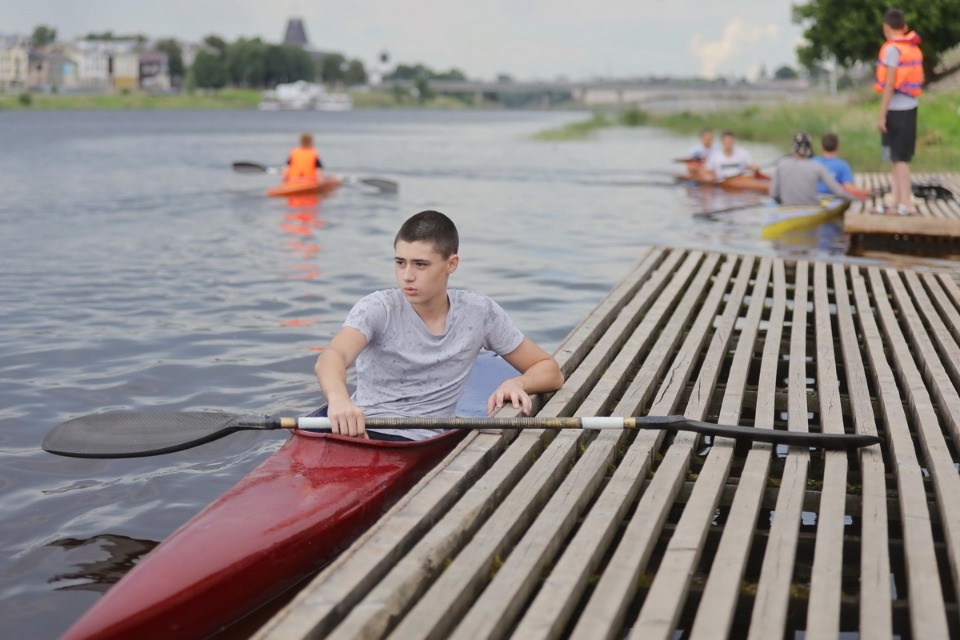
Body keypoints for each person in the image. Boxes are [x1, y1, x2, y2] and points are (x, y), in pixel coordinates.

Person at [314, 210, 565, 440]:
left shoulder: (478, 312)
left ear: (451, 264)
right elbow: (332, 356)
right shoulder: (378, 307)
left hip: (423, 442)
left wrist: (517, 383)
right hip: (360, 429)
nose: (407, 276)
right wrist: (338, 399)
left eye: (420, 264)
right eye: (401, 262)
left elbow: (549, 370)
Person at [875, 7, 923, 215]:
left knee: (901, 158)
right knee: (895, 157)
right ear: (903, 27)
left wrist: (882, 114)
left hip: (897, 110)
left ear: (886, 28)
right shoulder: (911, 46)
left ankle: (906, 202)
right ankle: (895, 200)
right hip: (909, 107)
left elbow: (890, 83)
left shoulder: (892, 49)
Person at [770, 132, 863, 207]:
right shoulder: (816, 166)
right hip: (811, 207)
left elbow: (774, 194)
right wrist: (859, 199)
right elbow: (838, 192)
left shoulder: (781, 165)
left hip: (787, 207)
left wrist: (782, 203)